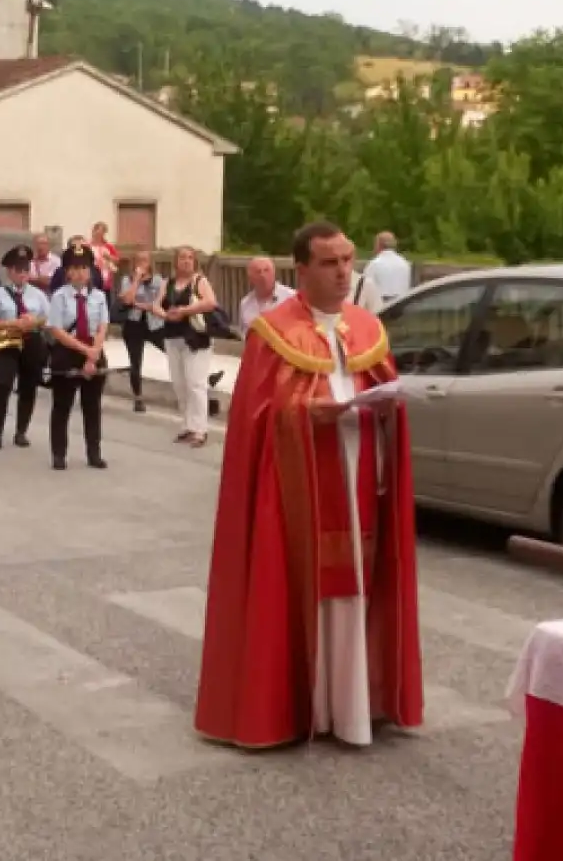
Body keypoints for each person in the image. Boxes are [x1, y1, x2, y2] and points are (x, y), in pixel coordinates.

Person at [194, 221, 423, 748]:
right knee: (308, 590)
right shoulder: (273, 332)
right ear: (302, 270)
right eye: (330, 262)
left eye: (347, 260)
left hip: (361, 475)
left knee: (357, 586)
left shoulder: (368, 328)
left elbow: (380, 386)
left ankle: (354, 706)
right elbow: (256, 419)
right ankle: (303, 706)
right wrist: (303, 415)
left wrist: (389, 410)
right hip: (300, 489)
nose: (344, 272)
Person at [44, 244, 110, 471]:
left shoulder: (99, 296)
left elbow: (102, 327)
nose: (80, 272)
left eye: (84, 267)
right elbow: (57, 330)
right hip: (68, 352)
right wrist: (85, 351)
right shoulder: (59, 297)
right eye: (75, 268)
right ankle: (59, 454)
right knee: (62, 406)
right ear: (67, 272)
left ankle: (94, 453)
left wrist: (94, 355)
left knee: (92, 406)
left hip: (94, 350)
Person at [0, 244, 49, 452]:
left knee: (28, 387)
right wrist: (12, 324)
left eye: (26, 270)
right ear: (9, 271)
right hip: (6, 342)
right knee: (1, 387)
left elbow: (48, 319)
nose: (22, 274)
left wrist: (34, 321)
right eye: (18, 270)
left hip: (31, 342)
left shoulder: (38, 295)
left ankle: (21, 431)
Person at [154, 246, 218, 447]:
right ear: (176, 261)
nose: (186, 261)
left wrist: (185, 310)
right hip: (173, 337)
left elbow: (210, 303)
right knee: (179, 384)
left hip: (195, 339)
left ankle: (200, 429)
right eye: (182, 257)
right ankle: (187, 425)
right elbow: (156, 304)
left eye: (190, 258)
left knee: (195, 383)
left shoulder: (199, 281)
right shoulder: (168, 283)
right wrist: (165, 315)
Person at [115, 250, 165, 413]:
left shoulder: (158, 280)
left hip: (154, 324)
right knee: (136, 361)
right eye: (138, 260)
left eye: (145, 260)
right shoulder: (127, 280)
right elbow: (128, 299)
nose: (142, 264)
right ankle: (138, 398)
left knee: (173, 350)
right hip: (133, 324)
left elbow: (158, 302)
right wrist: (136, 279)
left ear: (150, 262)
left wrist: (140, 303)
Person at [237, 255, 296, 338]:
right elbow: (244, 335)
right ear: (250, 278)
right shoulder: (245, 303)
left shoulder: (291, 297)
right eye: (258, 271)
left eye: (266, 270)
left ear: (274, 273)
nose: (263, 275)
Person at [361, 231, 413, 301]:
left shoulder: (374, 264)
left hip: (381, 305)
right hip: (401, 302)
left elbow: (364, 288)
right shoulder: (404, 263)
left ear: (379, 245)